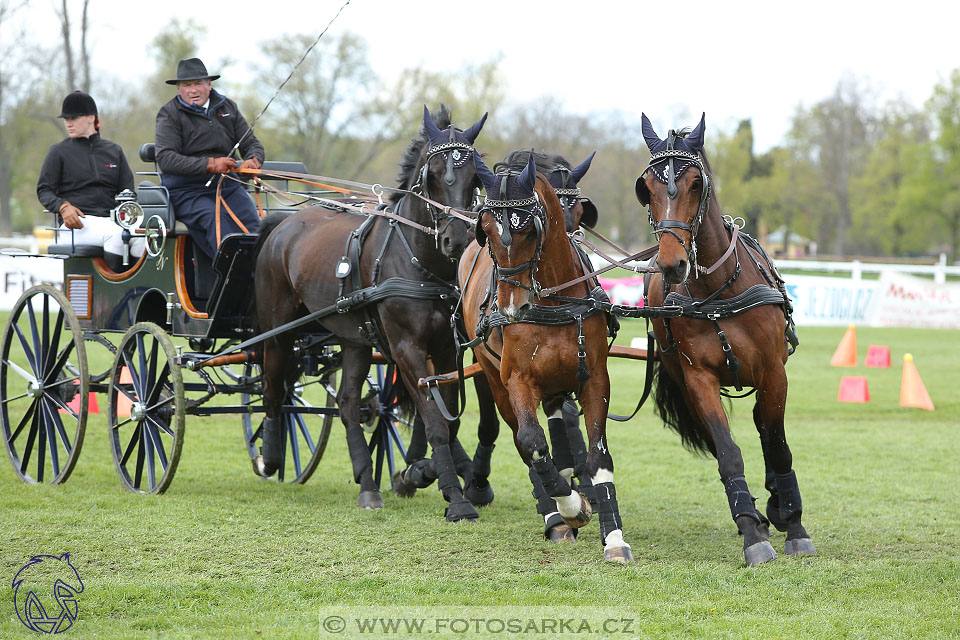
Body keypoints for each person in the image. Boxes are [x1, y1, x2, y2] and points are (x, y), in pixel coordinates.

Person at [154, 57, 264, 259]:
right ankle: (231, 279)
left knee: (254, 225)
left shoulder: (227, 107)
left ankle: (262, 274)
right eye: (187, 85)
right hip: (187, 192)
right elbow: (166, 158)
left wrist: (253, 160)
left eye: (198, 83)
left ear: (209, 85)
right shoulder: (169, 114)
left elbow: (252, 144)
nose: (193, 90)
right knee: (217, 220)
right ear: (179, 89)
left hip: (228, 186)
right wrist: (210, 164)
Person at [37, 90, 144, 272]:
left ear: (90, 118)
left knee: (141, 237)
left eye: (73, 118)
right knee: (116, 235)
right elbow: (44, 190)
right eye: (66, 119)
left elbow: (127, 193)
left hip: (111, 220)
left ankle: (137, 293)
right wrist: (63, 206)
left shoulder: (114, 151)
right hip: (78, 224)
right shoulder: (58, 152)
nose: (68, 123)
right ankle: (112, 296)